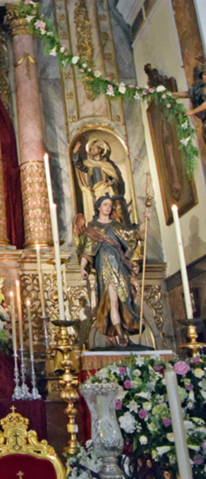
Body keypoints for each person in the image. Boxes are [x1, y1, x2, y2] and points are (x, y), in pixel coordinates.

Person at [74, 194, 150, 348]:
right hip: (104, 268)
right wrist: (82, 267)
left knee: (125, 300)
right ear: (98, 207)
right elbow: (87, 250)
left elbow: (134, 233)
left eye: (110, 205)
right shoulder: (92, 228)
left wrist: (146, 218)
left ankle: (125, 335)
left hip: (119, 266)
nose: (108, 207)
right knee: (112, 301)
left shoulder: (116, 226)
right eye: (105, 204)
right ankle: (119, 335)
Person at [73, 138, 130, 225]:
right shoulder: (89, 164)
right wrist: (75, 153)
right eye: (91, 149)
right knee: (95, 212)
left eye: (94, 148)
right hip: (94, 192)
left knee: (110, 211)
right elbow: (79, 165)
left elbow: (116, 179)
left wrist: (112, 182)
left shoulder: (107, 165)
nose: (92, 150)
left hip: (106, 190)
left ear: (100, 150)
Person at [174, 67, 206, 145]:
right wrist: (172, 94)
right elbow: (188, 94)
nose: (205, 77)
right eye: (204, 74)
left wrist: (192, 111)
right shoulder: (200, 87)